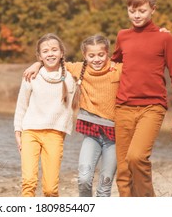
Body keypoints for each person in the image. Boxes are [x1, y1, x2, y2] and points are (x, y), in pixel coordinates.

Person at [111, 0, 172, 197]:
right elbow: (110, 64)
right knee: (124, 170)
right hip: (123, 108)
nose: (136, 15)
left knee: (136, 157)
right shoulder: (122, 36)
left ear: (153, 9)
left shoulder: (165, 38)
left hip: (152, 108)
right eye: (131, 10)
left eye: (141, 10)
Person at [24, 34, 122, 197]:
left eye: (101, 55)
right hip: (92, 132)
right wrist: (37, 64)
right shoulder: (78, 68)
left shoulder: (117, 69)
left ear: (107, 54)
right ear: (85, 56)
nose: (96, 59)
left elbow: (140, 64)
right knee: (83, 179)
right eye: (91, 55)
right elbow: (54, 61)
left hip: (115, 135)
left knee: (105, 186)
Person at [13, 33, 77, 197]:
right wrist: (18, 132)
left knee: (50, 189)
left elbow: (90, 67)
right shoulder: (31, 75)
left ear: (62, 53)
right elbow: (22, 105)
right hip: (30, 132)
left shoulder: (70, 77)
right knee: (28, 183)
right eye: (46, 51)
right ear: (40, 56)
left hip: (55, 134)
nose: (50, 54)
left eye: (54, 50)